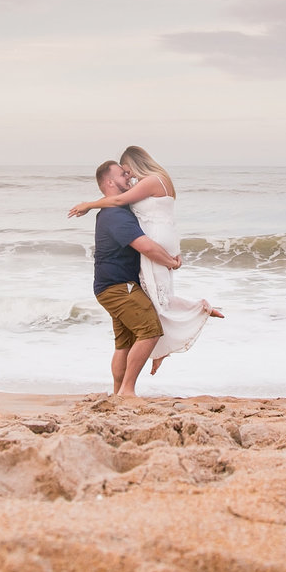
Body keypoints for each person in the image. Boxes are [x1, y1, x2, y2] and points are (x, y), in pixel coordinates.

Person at [71, 146, 222, 376]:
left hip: (121, 276)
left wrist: (89, 205)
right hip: (121, 281)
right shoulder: (119, 210)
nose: (128, 176)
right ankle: (192, 317)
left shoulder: (150, 182)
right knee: (154, 316)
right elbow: (120, 204)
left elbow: (118, 198)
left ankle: (127, 385)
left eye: (127, 171)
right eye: (123, 174)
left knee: (140, 324)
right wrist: (171, 256)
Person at [89, 160, 184, 397]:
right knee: (150, 331)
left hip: (110, 286)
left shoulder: (117, 211)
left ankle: (118, 393)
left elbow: (155, 231)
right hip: (119, 286)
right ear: (110, 182)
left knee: (124, 343)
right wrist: (171, 262)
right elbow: (145, 246)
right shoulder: (115, 215)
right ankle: (127, 392)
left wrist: (173, 247)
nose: (129, 178)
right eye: (123, 175)